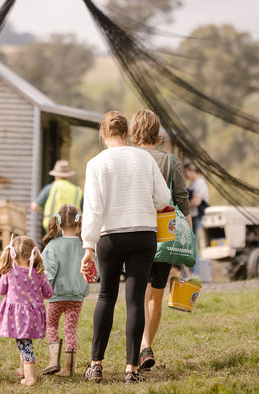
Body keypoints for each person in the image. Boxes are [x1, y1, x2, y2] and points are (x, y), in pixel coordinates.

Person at [80, 110, 171, 384]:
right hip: (143, 234)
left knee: (106, 297)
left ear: (103, 134)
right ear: (126, 132)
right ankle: (131, 369)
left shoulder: (96, 163)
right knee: (134, 302)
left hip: (110, 237)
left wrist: (88, 247)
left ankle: (96, 364)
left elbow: (93, 210)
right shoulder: (143, 158)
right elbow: (162, 199)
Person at [128, 109, 192, 373]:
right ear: (157, 132)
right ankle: (145, 347)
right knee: (156, 294)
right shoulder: (171, 161)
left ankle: (141, 348)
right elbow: (183, 200)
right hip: (165, 234)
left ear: (133, 132)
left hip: (134, 231)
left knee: (137, 295)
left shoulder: (127, 158)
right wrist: (190, 241)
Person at [0, 235, 54, 387]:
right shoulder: (39, 273)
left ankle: (31, 378)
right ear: (33, 253)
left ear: (12, 253)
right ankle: (23, 371)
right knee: (24, 341)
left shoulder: (9, 273)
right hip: (34, 315)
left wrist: (3, 277)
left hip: (18, 317)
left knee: (25, 345)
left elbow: (1, 290)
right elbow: (49, 293)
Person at [40, 204, 89, 378]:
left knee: (51, 325)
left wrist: (43, 290)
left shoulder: (52, 246)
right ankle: (68, 368)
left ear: (58, 223)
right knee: (71, 330)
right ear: (78, 223)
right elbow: (92, 270)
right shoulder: (86, 246)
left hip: (56, 296)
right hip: (76, 297)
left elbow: (49, 272)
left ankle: (54, 361)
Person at [31, 160, 83, 244]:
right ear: (68, 176)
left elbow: (35, 206)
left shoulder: (51, 188)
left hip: (53, 227)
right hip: (72, 229)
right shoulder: (77, 190)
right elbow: (84, 210)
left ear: (56, 176)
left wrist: (44, 206)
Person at [184, 162, 209, 233]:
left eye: (185, 172)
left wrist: (184, 209)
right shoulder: (193, 183)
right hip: (193, 216)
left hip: (197, 216)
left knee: (194, 239)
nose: (185, 174)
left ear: (192, 170)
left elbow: (196, 201)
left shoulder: (199, 183)